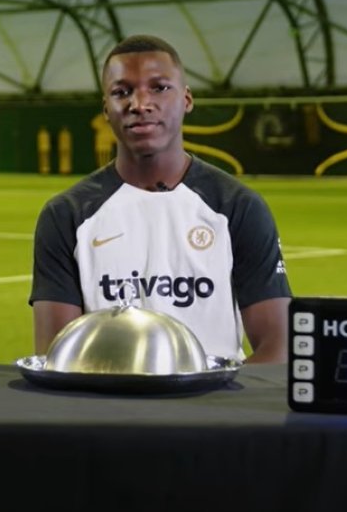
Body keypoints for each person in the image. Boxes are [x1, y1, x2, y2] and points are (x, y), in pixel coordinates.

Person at [30, 34, 290, 363]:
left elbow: (279, 345)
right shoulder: (66, 215)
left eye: (159, 88)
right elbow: (57, 355)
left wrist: (208, 394)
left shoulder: (237, 207)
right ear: (106, 109)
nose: (140, 104)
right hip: (105, 394)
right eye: (121, 92)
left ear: (187, 99)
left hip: (215, 394)